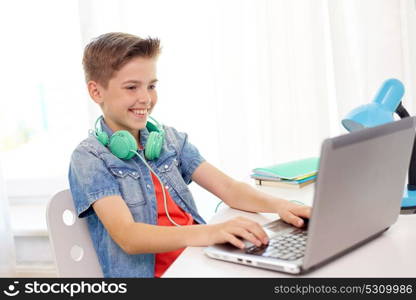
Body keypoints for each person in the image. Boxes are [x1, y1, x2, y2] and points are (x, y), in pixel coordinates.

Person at [68, 32, 311, 278]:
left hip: (199, 262)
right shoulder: (90, 158)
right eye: (132, 87)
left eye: (151, 86)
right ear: (96, 92)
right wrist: (211, 232)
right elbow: (128, 236)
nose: (146, 98)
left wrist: (281, 206)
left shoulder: (169, 140)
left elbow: (228, 188)